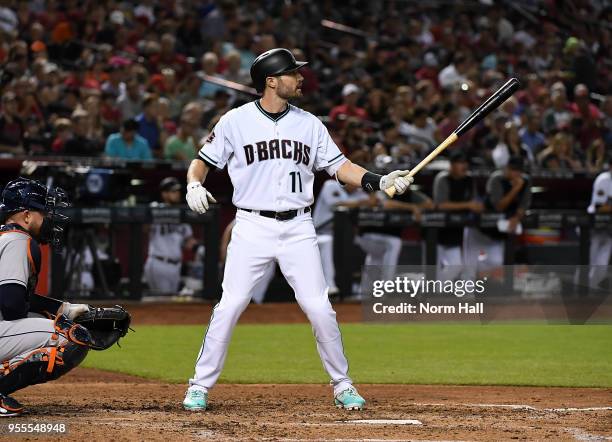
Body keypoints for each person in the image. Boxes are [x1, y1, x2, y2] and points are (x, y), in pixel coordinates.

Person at [183, 48, 413, 412]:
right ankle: (199, 386)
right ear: (271, 81)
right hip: (252, 225)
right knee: (229, 306)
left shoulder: (309, 123)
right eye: (292, 73)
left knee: (320, 308)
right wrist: (194, 184)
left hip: (299, 226)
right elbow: (202, 161)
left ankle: (342, 385)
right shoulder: (235, 121)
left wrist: (378, 179)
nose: (300, 78)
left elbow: (341, 167)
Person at [0, 178, 129, 416]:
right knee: (71, 336)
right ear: (26, 216)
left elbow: (14, 302)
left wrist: (67, 310)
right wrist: (67, 319)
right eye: (43, 212)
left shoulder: (5, 238)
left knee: (57, 323)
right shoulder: (18, 240)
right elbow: (12, 306)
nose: (49, 218)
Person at [464, 156, 531, 270]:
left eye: (518, 171)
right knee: (470, 266)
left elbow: (524, 204)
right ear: (507, 169)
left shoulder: (525, 180)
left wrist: (516, 217)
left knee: (497, 262)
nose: (516, 173)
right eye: (513, 170)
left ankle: (483, 282)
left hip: (497, 233)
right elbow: (499, 206)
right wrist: (515, 189)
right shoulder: (496, 179)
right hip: (480, 228)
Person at [432, 150, 482, 279]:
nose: (464, 166)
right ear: (452, 165)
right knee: (432, 271)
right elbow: (440, 205)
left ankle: (434, 292)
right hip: (435, 232)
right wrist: (467, 205)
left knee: (456, 266)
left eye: (465, 162)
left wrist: (477, 207)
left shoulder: (469, 180)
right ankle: (427, 293)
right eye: (460, 163)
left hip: (455, 231)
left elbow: (474, 202)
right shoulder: (443, 179)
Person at [313, 179, 369, 294]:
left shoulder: (356, 193)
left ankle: (355, 284)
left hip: (341, 235)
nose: (355, 187)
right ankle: (330, 285)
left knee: (361, 243)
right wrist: (362, 202)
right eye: (353, 183)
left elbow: (371, 201)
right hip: (319, 233)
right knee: (328, 242)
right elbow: (335, 203)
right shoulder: (331, 185)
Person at [144, 177, 198, 294]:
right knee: (162, 303)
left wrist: (199, 249)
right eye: (173, 191)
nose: (177, 194)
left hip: (176, 266)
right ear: (164, 194)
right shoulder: (155, 208)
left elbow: (188, 241)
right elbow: (144, 228)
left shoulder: (182, 214)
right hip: (159, 263)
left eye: (178, 191)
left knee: (171, 302)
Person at [586, 159, 612, 287]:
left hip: (609, 228)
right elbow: (600, 207)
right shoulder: (603, 179)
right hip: (594, 224)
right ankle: (582, 294)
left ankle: (592, 292)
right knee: (590, 262)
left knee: (602, 265)